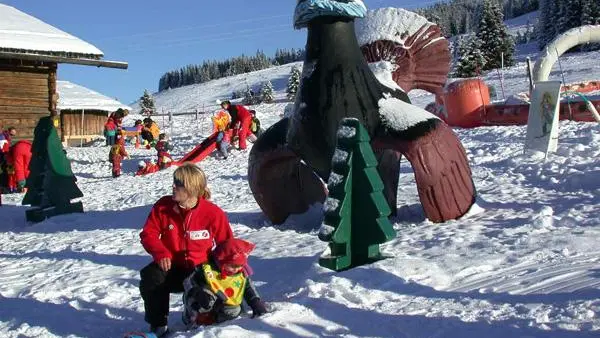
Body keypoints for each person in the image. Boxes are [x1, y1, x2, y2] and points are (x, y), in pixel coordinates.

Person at [139, 163, 234, 337]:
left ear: (192, 188)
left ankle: (196, 314)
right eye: (174, 181)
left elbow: (227, 245)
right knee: (150, 276)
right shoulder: (163, 206)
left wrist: (227, 269)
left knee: (205, 302)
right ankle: (158, 326)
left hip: (200, 271)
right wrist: (161, 253)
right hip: (172, 268)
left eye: (179, 183)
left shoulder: (213, 213)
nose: (173, 186)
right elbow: (148, 234)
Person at [182, 238, 267, 327]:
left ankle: (215, 319)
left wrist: (255, 302)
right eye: (233, 266)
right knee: (206, 300)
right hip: (204, 299)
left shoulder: (240, 274)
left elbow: (247, 287)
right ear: (221, 261)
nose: (237, 269)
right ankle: (193, 317)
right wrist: (196, 291)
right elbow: (188, 281)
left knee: (235, 310)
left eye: (240, 266)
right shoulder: (207, 270)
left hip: (224, 303)